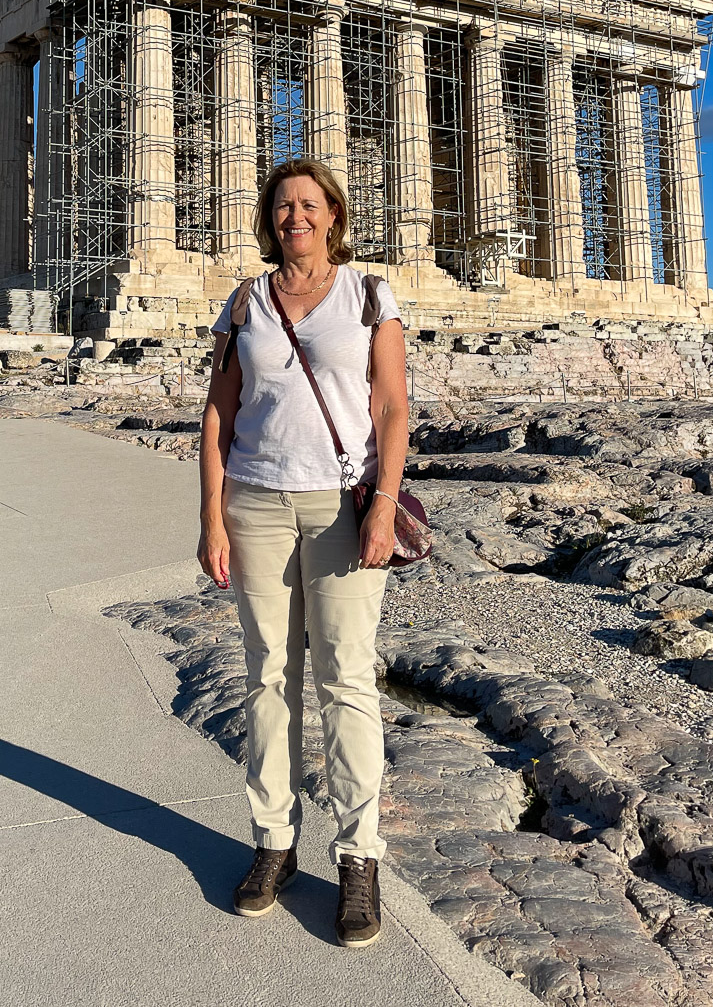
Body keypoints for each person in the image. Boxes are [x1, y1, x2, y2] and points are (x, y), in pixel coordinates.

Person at [198, 158, 407, 949]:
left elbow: (392, 405)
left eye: (310, 205)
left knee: (347, 679)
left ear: (333, 216)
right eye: (284, 206)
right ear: (269, 218)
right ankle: (273, 844)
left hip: (341, 509)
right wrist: (211, 516)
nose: (297, 217)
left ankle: (359, 858)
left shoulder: (369, 294)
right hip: (254, 503)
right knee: (266, 677)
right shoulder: (247, 299)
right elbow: (219, 414)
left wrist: (384, 502)